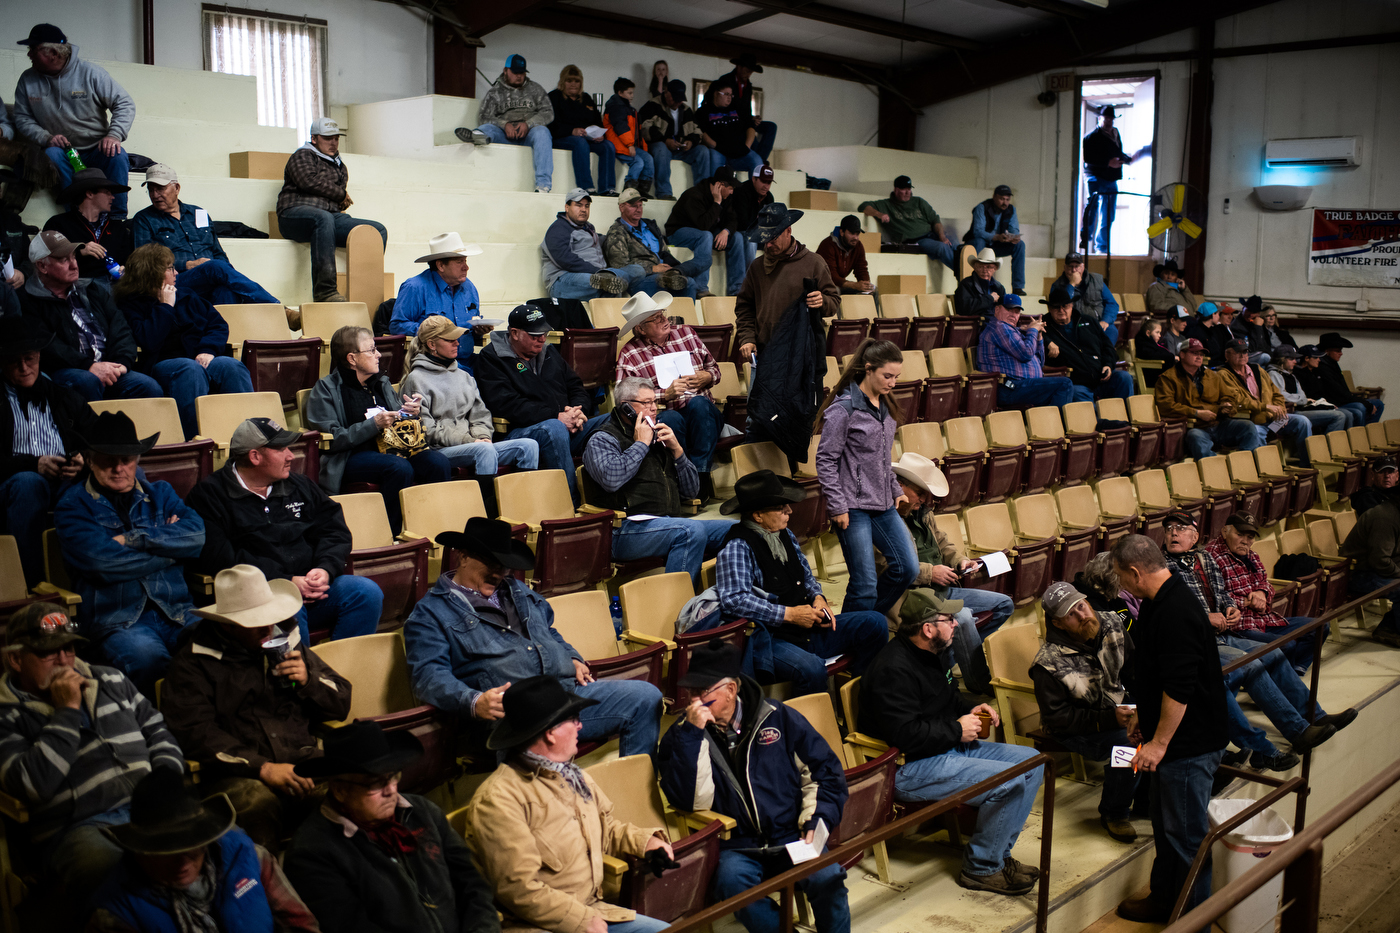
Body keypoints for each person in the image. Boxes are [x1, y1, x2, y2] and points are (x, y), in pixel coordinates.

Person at [404, 519, 664, 757]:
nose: (500, 573)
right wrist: (473, 701)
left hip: (563, 695)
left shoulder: (515, 588)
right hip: (514, 717)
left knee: (645, 697)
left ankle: (637, 794)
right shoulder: (430, 613)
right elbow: (428, 676)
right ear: (463, 557)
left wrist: (570, 655)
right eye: (492, 564)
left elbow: (548, 629)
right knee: (540, 743)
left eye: (504, 566)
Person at [657, 639, 850, 933]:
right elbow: (691, 802)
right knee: (734, 889)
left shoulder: (779, 717)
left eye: (701, 692)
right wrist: (692, 738)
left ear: (731, 690)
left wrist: (816, 819)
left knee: (829, 877)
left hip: (792, 834)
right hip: (736, 847)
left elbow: (825, 773)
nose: (693, 701)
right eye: (690, 692)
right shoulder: (680, 738)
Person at [0, 602, 184, 909]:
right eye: (49, 652)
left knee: (226, 842)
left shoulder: (111, 679)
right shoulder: (7, 716)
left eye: (69, 649)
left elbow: (158, 731)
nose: (64, 661)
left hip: (150, 810)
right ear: (16, 659)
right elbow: (33, 785)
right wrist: (66, 711)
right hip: (80, 830)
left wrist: (164, 789)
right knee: (115, 871)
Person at [859, 590, 1043, 895]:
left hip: (943, 748)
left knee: (1032, 762)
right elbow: (905, 734)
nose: (956, 624)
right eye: (949, 619)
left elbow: (946, 696)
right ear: (928, 629)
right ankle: (981, 869)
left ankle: (998, 855)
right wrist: (956, 730)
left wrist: (968, 708)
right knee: (1007, 783)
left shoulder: (933, 653)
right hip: (909, 765)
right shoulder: (892, 669)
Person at [161, 564, 353, 850]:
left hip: (302, 759)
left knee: (355, 789)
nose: (268, 627)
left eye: (270, 618)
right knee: (256, 803)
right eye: (257, 622)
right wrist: (262, 768)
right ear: (228, 624)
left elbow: (341, 702)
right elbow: (194, 733)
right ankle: (265, 884)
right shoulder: (194, 663)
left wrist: (308, 681)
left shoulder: (284, 639)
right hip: (238, 774)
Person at [466, 676, 674, 933]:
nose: (580, 726)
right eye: (573, 719)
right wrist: (579, 920)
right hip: (536, 926)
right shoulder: (498, 801)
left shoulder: (571, 774)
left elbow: (605, 829)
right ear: (551, 732)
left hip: (592, 912)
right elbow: (518, 890)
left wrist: (646, 842)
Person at [1161, 510, 1348, 771]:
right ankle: (1286, 737)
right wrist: (1208, 617)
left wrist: (1229, 608)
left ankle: (1310, 720)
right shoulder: (1161, 568)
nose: (1173, 533)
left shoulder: (1203, 559)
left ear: (1194, 537)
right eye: (1169, 528)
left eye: (1180, 529)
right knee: (1253, 663)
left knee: (1272, 652)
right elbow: (1171, 611)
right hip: (1198, 642)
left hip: (1225, 631)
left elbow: (1223, 593)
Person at [283, 722, 500, 933]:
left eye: (393, 776)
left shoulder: (422, 811)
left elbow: (473, 883)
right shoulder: (311, 853)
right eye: (376, 783)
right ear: (340, 790)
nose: (391, 791)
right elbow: (349, 927)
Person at [1109, 534, 1227, 923]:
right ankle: (1165, 901)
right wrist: (1143, 718)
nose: (1120, 584)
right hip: (1171, 741)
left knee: (1187, 843)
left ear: (1134, 572)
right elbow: (1155, 676)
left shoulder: (1176, 610)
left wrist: (1159, 743)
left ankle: (1194, 924)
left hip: (1187, 746)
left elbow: (1180, 687)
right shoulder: (1160, 600)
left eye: (1120, 577)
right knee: (1167, 832)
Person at [185, 416, 384, 646]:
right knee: (285, 611)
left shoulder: (299, 485)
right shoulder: (208, 497)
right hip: (260, 596)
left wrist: (324, 569)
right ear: (255, 456)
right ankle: (304, 679)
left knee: (366, 593)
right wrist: (285, 580)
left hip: (311, 587)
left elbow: (334, 530)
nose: (291, 455)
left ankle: (339, 677)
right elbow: (221, 559)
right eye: (281, 449)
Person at [53, 411, 204, 694]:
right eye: (108, 460)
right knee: (149, 660)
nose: (118, 468)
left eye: (126, 460)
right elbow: (102, 562)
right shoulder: (73, 506)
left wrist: (131, 540)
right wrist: (171, 552)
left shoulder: (160, 493)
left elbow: (196, 535)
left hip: (178, 611)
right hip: (116, 622)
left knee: (219, 643)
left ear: (137, 460)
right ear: (90, 460)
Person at [712, 470, 887, 694]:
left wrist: (818, 598)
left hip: (804, 628)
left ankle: (862, 700)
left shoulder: (784, 534)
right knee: (812, 668)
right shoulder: (738, 547)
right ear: (758, 515)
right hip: (770, 638)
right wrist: (789, 614)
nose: (790, 511)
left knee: (875, 623)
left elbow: (806, 576)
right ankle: (801, 724)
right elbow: (734, 600)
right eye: (781, 507)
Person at [88, 768, 319, 933]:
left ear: (206, 837)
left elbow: (300, 923)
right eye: (167, 851)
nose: (182, 862)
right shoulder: (114, 914)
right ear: (141, 851)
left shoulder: (249, 856)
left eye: (191, 845)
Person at [583, 376, 732, 585]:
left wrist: (678, 451)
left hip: (667, 522)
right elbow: (611, 479)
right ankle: (678, 606)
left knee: (738, 529)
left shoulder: (659, 436)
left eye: (654, 401)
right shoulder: (603, 439)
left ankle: (725, 600)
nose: (654, 408)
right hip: (623, 529)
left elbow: (691, 492)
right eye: (647, 403)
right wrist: (641, 445)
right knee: (691, 531)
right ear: (626, 407)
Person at [305, 324, 451, 535]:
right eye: (372, 350)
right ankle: (390, 533)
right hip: (350, 456)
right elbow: (333, 438)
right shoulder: (326, 389)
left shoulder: (381, 384)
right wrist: (373, 425)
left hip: (393, 449)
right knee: (399, 467)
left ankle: (434, 529)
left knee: (437, 462)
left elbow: (397, 422)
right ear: (352, 359)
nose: (378, 354)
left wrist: (409, 413)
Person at [890, 451, 1013, 694]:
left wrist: (961, 561)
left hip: (943, 590)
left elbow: (943, 543)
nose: (925, 500)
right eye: (920, 493)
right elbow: (887, 566)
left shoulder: (922, 513)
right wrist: (930, 573)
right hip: (913, 597)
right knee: (964, 618)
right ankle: (978, 682)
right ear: (899, 486)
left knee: (1004, 605)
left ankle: (945, 661)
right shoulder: (886, 519)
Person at [1031, 582, 1141, 843]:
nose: (1083, 615)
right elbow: (1058, 719)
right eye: (1071, 614)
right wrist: (1108, 719)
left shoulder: (1113, 624)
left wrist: (1141, 706)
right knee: (1127, 743)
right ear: (1057, 623)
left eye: (1081, 605)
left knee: (1159, 721)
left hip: (1116, 706)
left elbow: (1133, 670)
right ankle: (1115, 813)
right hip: (1074, 729)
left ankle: (1146, 801)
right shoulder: (1047, 664)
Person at [111, 243, 255, 439]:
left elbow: (218, 325)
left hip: (198, 357)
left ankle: (246, 439)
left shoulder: (186, 295)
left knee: (232, 366)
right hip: (161, 365)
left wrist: (207, 350)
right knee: (189, 369)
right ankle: (193, 442)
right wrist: (165, 307)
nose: (177, 272)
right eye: (170, 268)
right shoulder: (130, 305)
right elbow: (148, 341)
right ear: (152, 272)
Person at [816, 340, 918, 615]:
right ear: (868, 369)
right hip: (853, 508)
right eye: (888, 376)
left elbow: (883, 458)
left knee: (908, 568)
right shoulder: (843, 409)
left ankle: (868, 621)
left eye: (897, 377)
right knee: (864, 583)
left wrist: (895, 488)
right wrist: (838, 505)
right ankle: (851, 637)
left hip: (883, 504)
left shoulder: (885, 407)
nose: (893, 383)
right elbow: (825, 460)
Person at [398, 315, 538, 513]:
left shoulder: (465, 376)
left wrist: (481, 436)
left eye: (457, 338)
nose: (457, 342)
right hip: (440, 449)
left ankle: (521, 511)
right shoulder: (417, 379)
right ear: (432, 344)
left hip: (474, 444)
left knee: (528, 446)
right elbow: (427, 430)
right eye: (450, 339)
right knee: (485, 451)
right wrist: (470, 441)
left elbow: (480, 415)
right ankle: (484, 516)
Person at [475, 304, 609, 506]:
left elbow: (575, 385)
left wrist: (578, 410)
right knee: (553, 428)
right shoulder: (491, 358)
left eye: (544, 333)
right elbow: (507, 404)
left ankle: (611, 502)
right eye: (535, 335)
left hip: (567, 425)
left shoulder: (549, 352)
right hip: (520, 431)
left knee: (616, 417)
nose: (542, 339)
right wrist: (556, 417)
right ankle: (570, 506)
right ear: (515, 333)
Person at [0, 315, 92, 587]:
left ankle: (90, 581)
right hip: (13, 485)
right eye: (15, 361)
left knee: (104, 477)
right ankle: (31, 582)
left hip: (65, 479)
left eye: (29, 358)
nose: (24, 367)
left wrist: (84, 459)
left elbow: (99, 435)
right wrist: (33, 465)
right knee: (30, 483)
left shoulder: (62, 395)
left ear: (39, 356)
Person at [20, 230, 161, 402]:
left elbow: (121, 328)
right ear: (42, 266)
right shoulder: (27, 299)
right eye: (64, 260)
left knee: (148, 386)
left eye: (73, 257)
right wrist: (88, 366)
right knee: (87, 381)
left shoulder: (92, 289)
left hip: (108, 368)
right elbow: (48, 346)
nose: (74, 265)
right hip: (66, 371)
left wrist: (121, 363)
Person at [15, 24, 135, 217]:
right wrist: (46, 137)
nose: (28, 54)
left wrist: (114, 135)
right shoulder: (27, 79)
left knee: (118, 155)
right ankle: (76, 216)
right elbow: (22, 117)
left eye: (33, 49)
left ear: (53, 53)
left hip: (97, 150)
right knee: (52, 154)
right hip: (66, 151)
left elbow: (125, 104)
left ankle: (117, 219)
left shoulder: (91, 73)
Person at [130, 163, 280, 305]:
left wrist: (224, 271)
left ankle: (223, 332)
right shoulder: (144, 219)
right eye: (151, 189)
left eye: (160, 188)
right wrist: (189, 264)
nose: (155, 195)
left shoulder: (197, 213)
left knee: (225, 291)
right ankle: (279, 309)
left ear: (176, 188)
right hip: (176, 281)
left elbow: (217, 252)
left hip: (211, 276)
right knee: (214, 267)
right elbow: (146, 263)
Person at [276, 117, 388, 303]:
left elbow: (338, 200)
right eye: (328, 138)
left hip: (329, 217)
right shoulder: (302, 156)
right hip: (293, 215)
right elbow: (308, 181)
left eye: (336, 138)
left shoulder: (340, 165)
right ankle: (325, 292)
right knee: (323, 218)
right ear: (314, 139)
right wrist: (340, 194)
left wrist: (339, 198)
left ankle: (365, 287)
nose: (333, 142)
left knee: (377, 230)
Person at [614, 293, 724, 480]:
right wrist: (664, 394)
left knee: (699, 404)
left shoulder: (686, 333)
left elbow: (715, 370)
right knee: (669, 419)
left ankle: (701, 475)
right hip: (666, 414)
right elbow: (624, 400)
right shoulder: (629, 354)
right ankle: (680, 477)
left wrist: (706, 377)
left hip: (703, 414)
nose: (664, 319)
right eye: (656, 318)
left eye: (662, 313)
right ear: (641, 328)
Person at [1206, 511, 1326, 673]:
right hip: (1238, 627)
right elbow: (1213, 598)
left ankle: (1293, 670)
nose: (1245, 541)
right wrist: (1247, 602)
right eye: (1239, 534)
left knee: (1321, 626)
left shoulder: (1251, 555)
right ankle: (1282, 678)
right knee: (1287, 644)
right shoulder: (1211, 557)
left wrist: (1262, 593)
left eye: (1250, 537)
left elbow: (1265, 583)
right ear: (1225, 531)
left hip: (1262, 620)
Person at [734, 201, 840, 360]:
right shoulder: (757, 267)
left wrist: (822, 301)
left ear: (788, 231)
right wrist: (747, 338)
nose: (768, 245)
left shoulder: (814, 263)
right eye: (765, 239)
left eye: (773, 238)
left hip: (803, 355)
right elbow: (744, 307)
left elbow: (833, 302)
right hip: (765, 352)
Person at [390, 232, 490, 366]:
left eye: (465, 261)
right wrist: (432, 331)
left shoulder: (469, 287)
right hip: (433, 365)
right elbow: (397, 326)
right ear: (441, 266)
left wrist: (479, 331)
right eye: (459, 262)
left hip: (467, 362)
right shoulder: (415, 287)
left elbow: (473, 330)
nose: (466, 267)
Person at [1152, 338, 1260, 460]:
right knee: (1195, 437)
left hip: (1219, 423)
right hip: (1194, 427)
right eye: (1194, 353)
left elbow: (1229, 396)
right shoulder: (1168, 378)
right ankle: (1214, 470)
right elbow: (1166, 405)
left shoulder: (1212, 375)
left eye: (1201, 354)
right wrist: (1197, 413)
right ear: (1182, 354)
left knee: (1248, 426)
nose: (1199, 357)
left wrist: (1227, 405)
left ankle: (1244, 466)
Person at [461, 54, 555, 193]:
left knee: (543, 132)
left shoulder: (536, 89)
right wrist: (504, 124)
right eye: (515, 72)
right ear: (505, 70)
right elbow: (484, 116)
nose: (519, 76)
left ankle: (543, 185)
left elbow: (548, 113)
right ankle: (479, 136)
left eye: (522, 73)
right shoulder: (494, 92)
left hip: (529, 135)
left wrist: (528, 124)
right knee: (487, 127)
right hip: (504, 135)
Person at [1218, 338, 1312, 465]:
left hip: (1272, 419)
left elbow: (1277, 394)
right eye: (1237, 352)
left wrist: (1280, 410)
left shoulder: (1257, 369)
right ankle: (1264, 471)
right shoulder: (1223, 374)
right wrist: (1265, 407)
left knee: (1303, 422)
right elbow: (1238, 400)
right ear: (1227, 355)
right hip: (1251, 421)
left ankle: (1306, 465)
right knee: (1255, 432)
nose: (1242, 355)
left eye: (1245, 352)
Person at [541, 188, 643, 300]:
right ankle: (607, 280)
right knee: (600, 281)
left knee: (638, 270)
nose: (583, 209)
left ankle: (609, 280)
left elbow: (605, 241)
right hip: (563, 280)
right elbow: (565, 260)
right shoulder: (558, 229)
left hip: (596, 275)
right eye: (578, 205)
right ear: (567, 207)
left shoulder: (588, 228)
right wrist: (598, 272)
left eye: (587, 206)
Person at [976, 294, 1075, 408]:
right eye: (1009, 310)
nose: (1013, 315)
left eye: (1017, 312)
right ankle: (1057, 424)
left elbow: (1039, 362)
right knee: (1064, 384)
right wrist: (1032, 330)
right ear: (997, 309)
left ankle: (1050, 424)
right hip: (1008, 387)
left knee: (1060, 389)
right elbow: (1026, 354)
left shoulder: (1015, 331)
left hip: (1022, 386)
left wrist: (1038, 336)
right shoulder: (999, 327)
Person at [1042, 282, 1133, 402]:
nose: (1061, 310)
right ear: (1049, 308)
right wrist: (1047, 341)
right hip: (1076, 383)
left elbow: (1108, 347)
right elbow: (1030, 337)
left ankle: (1124, 418)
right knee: (1074, 392)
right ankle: (1098, 421)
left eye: (1065, 306)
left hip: (1102, 377)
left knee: (1124, 377)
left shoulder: (1089, 321)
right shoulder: (1043, 327)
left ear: (1072, 305)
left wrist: (1108, 365)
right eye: (1056, 307)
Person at [604, 188, 698, 298]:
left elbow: (665, 252)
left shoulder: (650, 227)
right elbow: (620, 266)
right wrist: (651, 269)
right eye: (634, 205)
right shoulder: (617, 232)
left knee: (689, 282)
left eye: (640, 205)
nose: (638, 209)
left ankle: (682, 315)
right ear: (622, 207)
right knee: (660, 281)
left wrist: (673, 268)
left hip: (663, 274)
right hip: (640, 279)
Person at [42, 167, 132, 282]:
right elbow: (46, 261)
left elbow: (127, 258)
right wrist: (78, 251)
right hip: (75, 287)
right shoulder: (58, 224)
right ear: (89, 193)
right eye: (107, 192)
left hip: (113, 288)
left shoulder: (117, 227)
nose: (112, 197)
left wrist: (125, 268)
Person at [1340, 486, 1400, 647]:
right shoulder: (1385, 518)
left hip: (1378, 570)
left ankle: (1389, 627)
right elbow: (1380, 561)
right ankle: (1393, 629)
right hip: (1359, 573)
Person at [664, 167, 738, 299]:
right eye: (731, 188)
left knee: (736, 237)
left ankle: (737, 288)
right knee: (706, 236)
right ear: (720, 185)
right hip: (678, 232)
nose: (732, 192)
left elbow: (733, 219)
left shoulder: (727, 198)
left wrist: (725, 232)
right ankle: (700, 288)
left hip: (703, 233)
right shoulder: (694, 195)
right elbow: (703, 225)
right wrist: (717, 203)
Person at [858, 176, 956, 272]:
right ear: (896, 190)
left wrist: (942, 237)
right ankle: (964, 276)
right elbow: (863, 206)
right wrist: (879, 214)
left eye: (909, 189)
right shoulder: (887, 205)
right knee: (942, 248)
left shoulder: (919, 202)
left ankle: (967, 275)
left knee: (957, 246)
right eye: (903, 189)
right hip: (917, 241)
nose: (907, 192)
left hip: (933, 235)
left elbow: (935, 220)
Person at [640, 79, 717, 201]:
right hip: (660, 147)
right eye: (674, 98)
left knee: (702, 150)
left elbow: (697, 131)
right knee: (661, 148)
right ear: (666, 93)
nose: (677, 102)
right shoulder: (652, 106)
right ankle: (664, 192)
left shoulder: (686, 110)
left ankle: (702, 193)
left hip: (680, 149)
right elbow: (645, 129)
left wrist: (691, 142)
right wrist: (666, 141)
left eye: (680, 99)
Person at [547, 64, 616, 197]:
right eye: (569, 81)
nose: (573, 84)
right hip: (562, 138)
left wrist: (599, 134)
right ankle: (586, 187)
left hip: (586, 138)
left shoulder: (587, 98)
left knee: (608, 146)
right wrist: (571, 130)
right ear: (562, 82)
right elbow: (550, 125)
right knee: (580, 143)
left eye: (576, 81)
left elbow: (597, 121)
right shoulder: (554, 97)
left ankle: (607, 188)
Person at [1080, 105, 1133, 254]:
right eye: (1106, 118)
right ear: (1100, 118)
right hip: (1095, 177)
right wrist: (1108, 163)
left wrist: (1128, 159)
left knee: (1109, 214)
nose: (1109, 121)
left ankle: (1102, 247)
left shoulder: (1115, 134)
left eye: (1111, 119)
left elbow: (1117, 152)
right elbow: (1086, 158)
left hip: (1110, 179)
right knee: (1092, 208)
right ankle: (1085, 241)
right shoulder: (1091, 137)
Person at [1266, 344, 1348, 438]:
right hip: (1285, 413)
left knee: (1341, 414)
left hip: (1298, 410)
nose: (1295, 361)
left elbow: (1303, 396)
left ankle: (1327, 448)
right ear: (1282, 359)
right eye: (1291, 359)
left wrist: (1299, 399)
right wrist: (1300, 399)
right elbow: (1281, 396)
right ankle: (1321, 449)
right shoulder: (1273, 374)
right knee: (1338, 416)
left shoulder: (1291, 375)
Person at [1312, 332, 1384, 427]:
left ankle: (1367, 432)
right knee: (1360, 407)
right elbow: (1339, 393)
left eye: (1341, 350)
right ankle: (1358, 435)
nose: (1341, 353)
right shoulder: (1323, 367)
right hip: (1335, 402)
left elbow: (1344, 392)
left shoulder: (1332, 363)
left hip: (1343, 399)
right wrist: (1365, 403)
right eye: (1337, 350)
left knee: (1378, 404)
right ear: (1327, 351)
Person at [724, 163, 775, 296]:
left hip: (757, 235)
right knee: (748, 238)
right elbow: (743, 223)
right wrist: (759, 221)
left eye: (769, 182)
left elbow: (770, 224)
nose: (766, 186)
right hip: (741, 233)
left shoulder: (769, 197)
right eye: (764, 181)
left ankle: (750, 286)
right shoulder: (742, 191)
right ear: (754, 179)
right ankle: (743, 287)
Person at [716, 52, 778, 161]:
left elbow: (746, 109)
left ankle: (761, 159)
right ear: (739, 67)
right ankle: (758, 160)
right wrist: (748, 120)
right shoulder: (725, 80)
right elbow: (724, 107)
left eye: (751, 72)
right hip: (730, 121)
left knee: (771, 127)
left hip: (744, 120)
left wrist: (752, 118)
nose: (748, 74)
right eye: (747, 71)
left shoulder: (747, 85)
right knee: (749, 130)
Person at [695, 81, 763, 176]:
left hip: (739, 151)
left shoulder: (737, 108)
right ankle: (715, 190)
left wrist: (747, 146)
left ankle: (753, 190)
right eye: (726, 94)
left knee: (757, 161)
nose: (729, 98)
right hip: (718, 151)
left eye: (731, 95)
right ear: (716, 93)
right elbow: (703, 133)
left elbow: (750, 127)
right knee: (716, 172)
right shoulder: (703, 111)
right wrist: (715, 146)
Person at [967, 185, 1025, 296]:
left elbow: (1014, 229)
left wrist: (1013, 237)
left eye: (1007, 200)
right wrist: (996, 237)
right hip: (978, 244)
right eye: (1002, 199)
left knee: (1020, 245)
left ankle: (1018, 287)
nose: (1005, 202)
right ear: (994, 197)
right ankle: (976, 284)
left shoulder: (1011, 209)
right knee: (979, 241)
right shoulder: (982, 207)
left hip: (996, 246)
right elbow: (977, 231)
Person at [1052, 251, 1120, 344]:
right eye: (1070, 267)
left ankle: (1107, 358)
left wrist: (1105, 321)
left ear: (1083, 267)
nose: (1074, 270)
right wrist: (1072, 284)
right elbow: (1061, 304)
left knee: (1112, 331)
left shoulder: (1097, 281)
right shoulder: (1057, 286)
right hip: (1074, 325)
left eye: (1077, 266)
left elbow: (1112, 304)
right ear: (1064, 268)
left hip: (1097, 323)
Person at [604, 77, 654, 197]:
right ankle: (629, 189)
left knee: (648, 159)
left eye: (632, 93)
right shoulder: (616, 107)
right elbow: (621, 127)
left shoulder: (628, 108)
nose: (632, 96)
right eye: (629, 93)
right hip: (619, 145)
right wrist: (630, 144)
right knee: (638, 162)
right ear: (620, 93)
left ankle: (642, 190)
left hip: (629, 144)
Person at [816, 215, 873, 296]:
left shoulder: (858, 246)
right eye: (852, 233)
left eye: (857, 234)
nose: (856, 238)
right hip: (821, 283)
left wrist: (866, 284)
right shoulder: (828, 245)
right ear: (842, 232)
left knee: (872, 291)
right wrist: (854, 285)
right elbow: (829, 274)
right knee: (834, 291)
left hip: (839, 283)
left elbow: (861, 268)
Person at [953, 247, 1007, 317]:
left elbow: (1005, 308)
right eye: (980, 267)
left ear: (995, 268)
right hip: (976, 324)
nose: (984, 270)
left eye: (988, 267)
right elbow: (964, 309)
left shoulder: (999, 287)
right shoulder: (966, 284)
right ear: (975, 268)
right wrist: (990, 298)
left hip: (996, 324)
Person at [1231, 296, 1274, 367]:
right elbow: (1252, 348)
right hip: (1243, 358)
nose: (1250, 314)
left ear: (1259, 313)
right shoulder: (1237, 326)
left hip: (1257, 357)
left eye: (1254, 312)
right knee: (1265, 357)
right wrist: (1257, 328)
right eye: (1248, 310)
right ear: (1243, 309)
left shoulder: (1258, 322)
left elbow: (1266, 346)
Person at [1135, 319, 1175, 387]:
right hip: (1151, 379)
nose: (1159, 335)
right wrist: (1171, 357)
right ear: (1148, 333)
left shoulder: (1151, 344)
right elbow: (1152, 355)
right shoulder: (1143, 345)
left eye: (1160, 333)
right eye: (1157, 332)